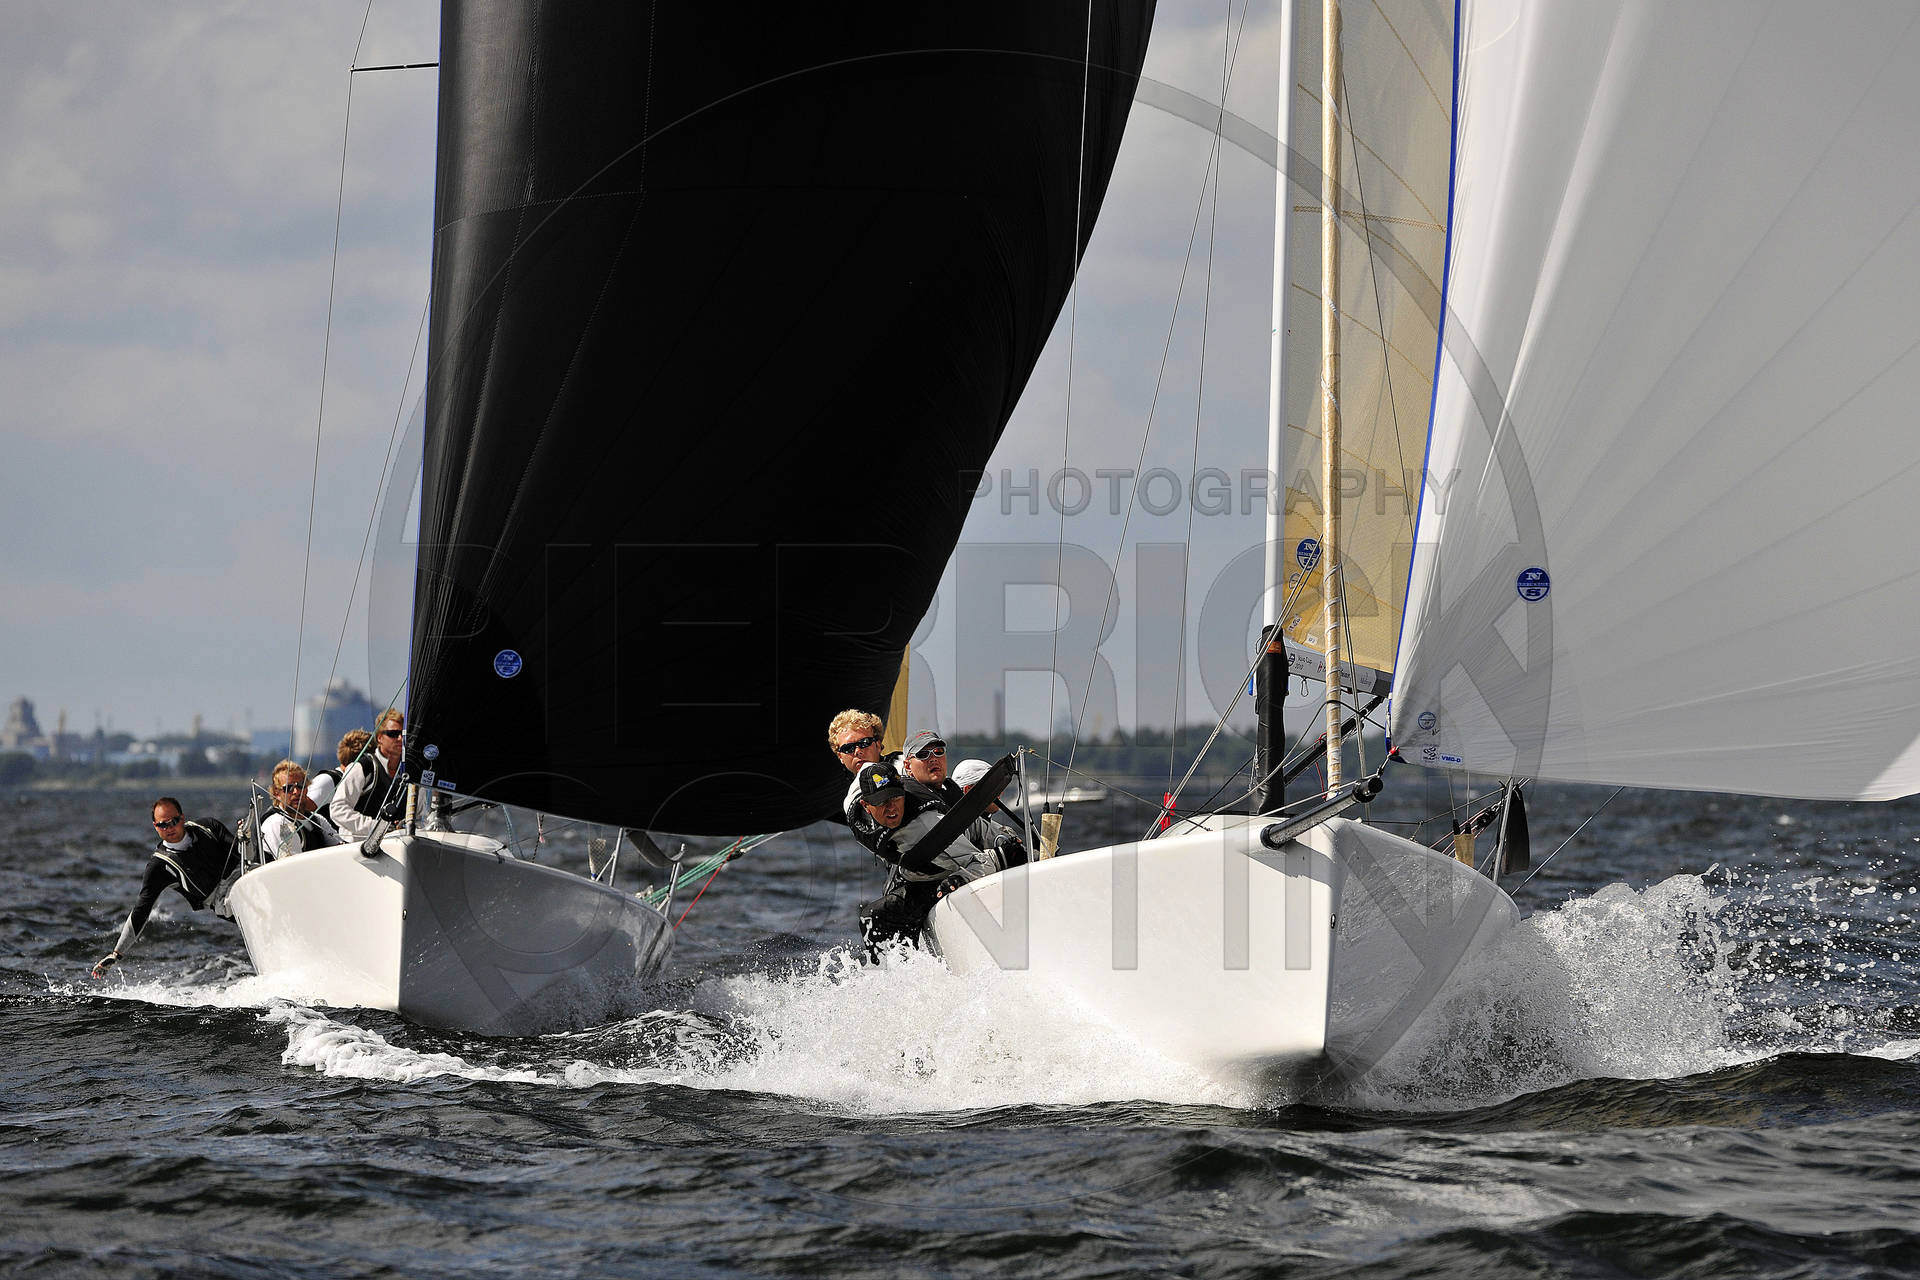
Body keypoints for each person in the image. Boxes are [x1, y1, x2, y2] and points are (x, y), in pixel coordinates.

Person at [91, 797, 240, 978]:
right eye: (162, 825)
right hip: (228, 904)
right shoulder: (158, 867)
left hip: (246, 879)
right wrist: (116, 954)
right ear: (155, 826)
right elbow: (141, 911)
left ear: (182, 818)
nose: (169, 828)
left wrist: (246, 835)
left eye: (173, 822)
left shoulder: (208, 826)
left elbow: (240, 850)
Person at [330, 710, 405, 843]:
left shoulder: (410, 774)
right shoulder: (363, 767)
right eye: (393, 734)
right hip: (356, 848)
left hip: (397, 847)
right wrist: (376, 827)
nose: (400, 739)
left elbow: (420, 816)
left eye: (403, 734)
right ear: (379, 738)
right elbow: (338, 809)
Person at [952, 757, 1030, 869]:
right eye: (993, 786)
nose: (1000, 792)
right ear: (968, 790)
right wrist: (1003, 855)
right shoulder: (958, 829)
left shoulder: (1003, 831)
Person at [258, 759, 343, 859]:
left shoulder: (317, 820)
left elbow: (341, 849)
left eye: (300, 786)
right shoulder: (277, 824)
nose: (296, 791)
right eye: (289, 788)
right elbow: (294, 864)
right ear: (277, 793)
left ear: (306, 789)